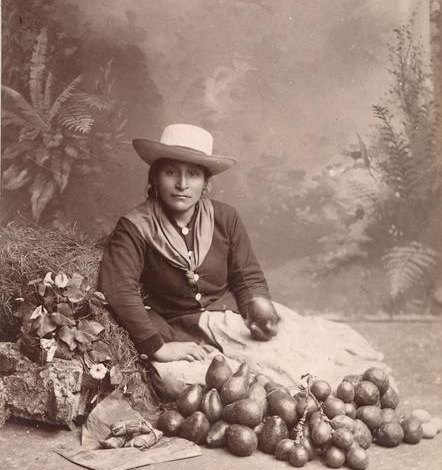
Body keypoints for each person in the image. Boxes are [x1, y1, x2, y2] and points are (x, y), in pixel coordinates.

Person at [98, 123, 391, 399]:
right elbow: (118, 288)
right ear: (155, 178)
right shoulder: (135, 226)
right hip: (178, 327)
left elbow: (247, 277)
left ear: (206, 183)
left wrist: (257, 309)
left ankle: (331, 397)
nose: (182, 184)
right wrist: (158, 346)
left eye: (194, 174)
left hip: (230, 316)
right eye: (171, 173)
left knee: (303, 349)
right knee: (180, 379)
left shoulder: (225, 218)